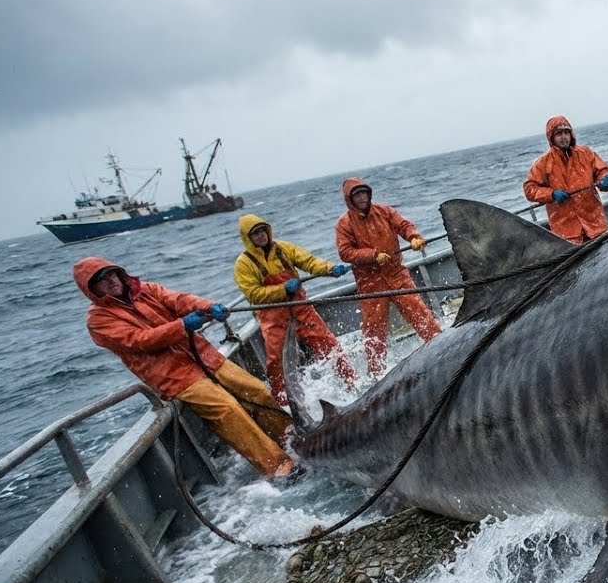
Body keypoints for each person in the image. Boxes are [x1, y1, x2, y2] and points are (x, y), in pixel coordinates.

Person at [73, 257, 297, 478]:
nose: (111, 280)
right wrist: (182, 325)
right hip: (174, 377)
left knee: (257, 390)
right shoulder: (98, 320)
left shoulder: (147, 289)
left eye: (112, 273)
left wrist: (208, 306)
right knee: (228, 410)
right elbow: (139, 340)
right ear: (92, 290)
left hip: (204, 356)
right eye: (101, 279)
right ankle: (279, 467)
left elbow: (179, 299)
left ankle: (294, 441)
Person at [233, 213, 358, 405]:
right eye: (255, 233)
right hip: (273, 318)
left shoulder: (283, 248)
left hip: (301, 309)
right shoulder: (243, 264)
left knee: (330, 345)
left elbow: (309, 262)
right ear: (247, 238)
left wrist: (330, 269)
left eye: (262, 231)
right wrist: (283, 289)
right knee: (277, 361)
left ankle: (353, 384)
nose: (261, 235)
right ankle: (284, 404)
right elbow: (253, 294)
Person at [335, 177, 443, 378]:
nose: (361, 198)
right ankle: (376, 375)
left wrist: (414, 237)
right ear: (350, 199)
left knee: (421, 315)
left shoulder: (384, 211)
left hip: (397, 275)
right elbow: (345, 252)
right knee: (374, 332)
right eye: (357, 195)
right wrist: (372, 256)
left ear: (369, 193)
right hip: (371, 284)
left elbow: (403, 225)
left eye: (363, 193)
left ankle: (442, 349)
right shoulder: (344, 223)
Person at [523, 115, 608, 244]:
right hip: (567, 233)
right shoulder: (542, 163)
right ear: (551, 137)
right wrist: (551, 194)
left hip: (596, 224)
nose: (564, 137)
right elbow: (530, 189)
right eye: (559, 134)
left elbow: (602, 170)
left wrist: (605, 179)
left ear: (571, 134)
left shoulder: (586, 153)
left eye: (566, 132)